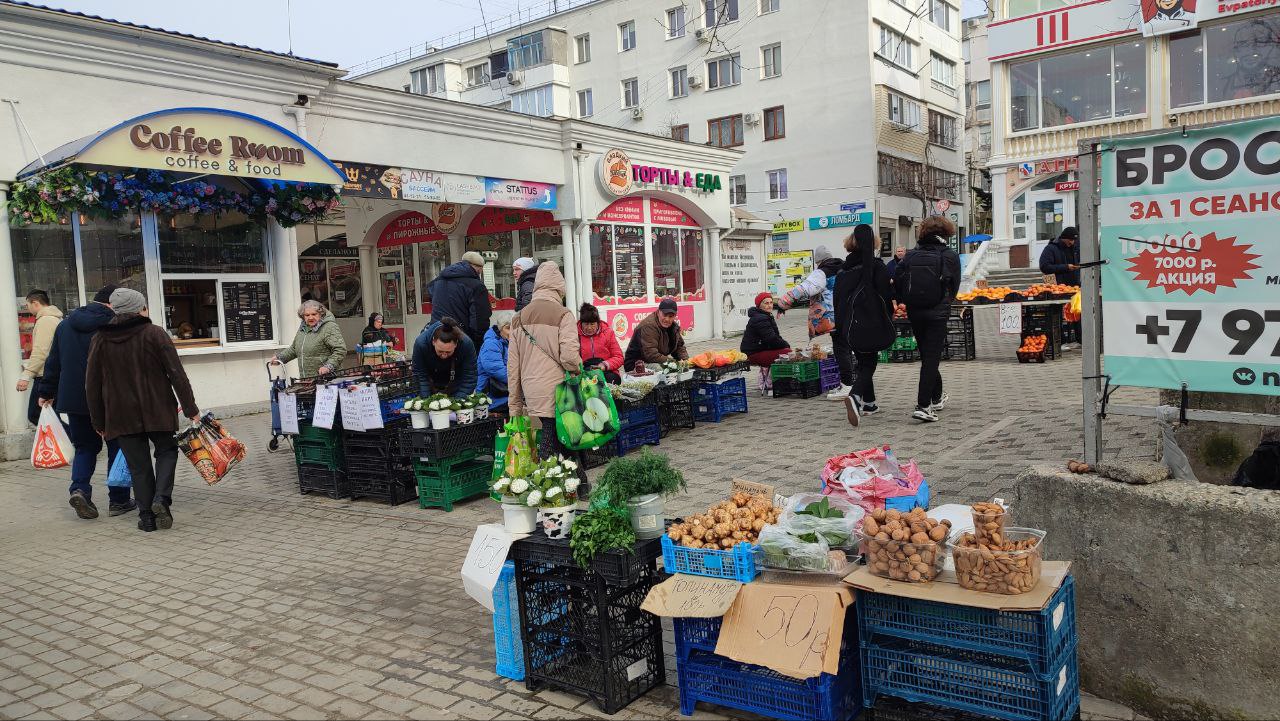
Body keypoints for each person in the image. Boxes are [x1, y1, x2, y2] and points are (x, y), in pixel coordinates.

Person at [85, 289, 199, 533]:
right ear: (139, 308)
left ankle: (146, 517)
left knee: (138, 466)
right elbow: (177, 374)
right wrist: (191, 410)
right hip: (158, 408)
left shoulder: (100, 339)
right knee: (167, 452)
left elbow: (91, 384)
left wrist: (99, 421)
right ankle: (161, 499)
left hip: (120, 414)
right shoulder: (154, 333)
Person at [38, 285, 131, 519]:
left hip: (75, 398)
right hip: (110, 398)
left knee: (85, 447)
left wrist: (46, 391)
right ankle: (119, 500)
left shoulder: (65, 325)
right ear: (111, 303)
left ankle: (79, 490)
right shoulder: (116, 324)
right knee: (117, 447)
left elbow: (54, 362)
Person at [507, 262, 581, 463]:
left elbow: (513, 366)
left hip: (531, 388)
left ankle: (581, 483)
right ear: (559, 287)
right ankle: (542, 486)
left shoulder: (518, 318)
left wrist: (514, 404)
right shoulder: (563, 314)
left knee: (560, 436)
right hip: (558, 388)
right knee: (551, 438)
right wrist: (577, 369)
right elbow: (569, 357)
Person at [895, 216, 962, 423]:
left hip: (915, 311)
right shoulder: (949, 255)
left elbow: (897, 281)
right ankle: (923, 406)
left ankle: (936, 397)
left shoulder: (910, 255)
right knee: (931, 358)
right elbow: (955, 287)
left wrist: (904, 301)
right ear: (946, 232)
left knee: (927, 356)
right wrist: (946, 301)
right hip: (938, 311)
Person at [834, 225, 895, 426]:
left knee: (863, 358)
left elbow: (838, 300)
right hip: (871, 322)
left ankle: (869, 403)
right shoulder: (876, 266)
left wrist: (841, 327)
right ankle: (855, 396)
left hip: (849, 325)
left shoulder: (843, 269)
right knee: (869, 362)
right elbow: (886, 294)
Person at [776, 246, 844, 340]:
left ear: (819, 261)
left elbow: (804, 288)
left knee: (839, 347)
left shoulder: (822, 273)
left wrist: (783, 303)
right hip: (846, 314)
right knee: (844, 343)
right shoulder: (844, 269)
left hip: (829, 317)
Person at [428, 251, 491, 349]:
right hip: (461, 337)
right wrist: (478, 342)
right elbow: (480, 319)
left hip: (437, 334)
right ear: (478, 268)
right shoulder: (476, 286)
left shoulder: (438, 281)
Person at [18, 289, 63, 426]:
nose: (28, 308)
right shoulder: (55, 318)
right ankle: (60, 443)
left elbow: (41, 351)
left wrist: (26, 376)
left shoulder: (46, 321)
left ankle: (61, 443)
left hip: (45, 375)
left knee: (36, 414)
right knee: (50, 414)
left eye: (28, 305)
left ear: (35, 303)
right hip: (53, 373)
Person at [273, 300, 346, 378]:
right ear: (303, 316)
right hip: (307, 379)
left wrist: (328, 366)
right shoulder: (303, 328)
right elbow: (294, 349)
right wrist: (280, 358)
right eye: (307, 315)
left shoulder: (329, 327)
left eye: (314, 314)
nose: (311, 317)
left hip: (328, 379)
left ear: (320, 314)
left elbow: (340, 350)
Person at [413, 317, 478, 399]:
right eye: (440, 351)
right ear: (433, 342)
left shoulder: (466, 344)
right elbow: (420, 375)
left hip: (457, 383)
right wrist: (425, 400)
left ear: (456, 344)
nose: (444, 355)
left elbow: (470, 375)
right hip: (430, 383)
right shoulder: (421, 344)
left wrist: (459, 401)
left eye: (448, 352)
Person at [741, 293, 791, 395]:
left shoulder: (766, 316)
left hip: (759, 349)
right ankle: (774, 383)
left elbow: (776, 337)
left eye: (771, 302)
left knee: (786, 351)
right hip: (752, 354)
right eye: (766, 303)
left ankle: (769, 381)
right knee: (787, 353)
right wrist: (786, 346)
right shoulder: (760, 318)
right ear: (759, 305)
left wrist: (784, 344)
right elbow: (772, 339)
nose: (769, 305)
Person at [623, 298, 689, 371]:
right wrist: (674, 363)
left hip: (654, 361)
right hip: (636, 363)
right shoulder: (648, 326)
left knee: (684, 367)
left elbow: (679, 346)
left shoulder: (673, 326)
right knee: (664, 369)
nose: (667, 319)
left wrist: (685, 360)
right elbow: (651, 355)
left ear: (675, 316)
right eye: (664, 315)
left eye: (670, 316)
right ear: (658, 312)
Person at [476, 310, 514, 411]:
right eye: (508, 328)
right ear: (500, 328)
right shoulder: (491, 343)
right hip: (491, 396)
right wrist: (519, 381)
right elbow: (496, 370)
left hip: (502, 392)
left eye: (515, 328)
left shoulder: (507, 342)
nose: (512, 332)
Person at [578, 303, 624, 384]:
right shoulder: (574, 335)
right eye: (586, 324)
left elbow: (619, 357)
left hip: (606, 371)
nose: (589, 328)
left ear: (598, 323)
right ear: (581, 323)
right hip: (584, 372)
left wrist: (604, 365)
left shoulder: (608, 333)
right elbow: (571, 358)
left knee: (609, 382)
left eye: (592, 324)